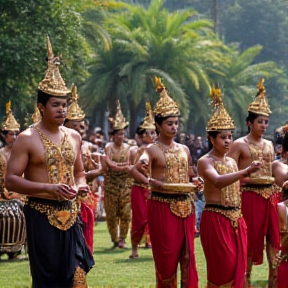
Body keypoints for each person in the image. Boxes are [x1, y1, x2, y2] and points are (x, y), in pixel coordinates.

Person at [5, 36, 94, 288]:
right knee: (49, 280)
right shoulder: (27, 138)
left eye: (64, 105)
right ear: (41, 107)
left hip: (72, 212)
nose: (61, 110)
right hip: (40, 215)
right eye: (55, 104)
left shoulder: (74, 136)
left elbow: (79, 172)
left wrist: (80, 186)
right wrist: (49, 188)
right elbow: (10, 180)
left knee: (78, 276)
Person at [131, 77, 198, 288]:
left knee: (187, 255)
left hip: (186, 206)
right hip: (162, 206)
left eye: (176, 123)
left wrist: (196, 180)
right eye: (169, 123)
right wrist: (149, 179)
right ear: (158, 125)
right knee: (167, 259)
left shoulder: (184, 149)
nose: (174, 127)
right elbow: (136, 168)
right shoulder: (151, 149)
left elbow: (189, 173)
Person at [197, 86, 260, 288]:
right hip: (216, 217)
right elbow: (217, 181)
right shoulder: (205, 161)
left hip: (236, 218)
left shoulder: (232, 162)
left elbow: (236, 182)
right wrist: (246, 172)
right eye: (223, 137)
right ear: (211, 138)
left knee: (237, 269)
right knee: (223, 269)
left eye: (230, 137)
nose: (227, 141)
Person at [227, 79, 280, 288]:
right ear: (250, 122)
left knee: (274, 241)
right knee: (249, 242)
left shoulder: (269, 144)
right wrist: (247, 176)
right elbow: (229, 172)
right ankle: (245, 281)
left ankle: (274, 281)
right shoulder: (239, 145)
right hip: (249, 196)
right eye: (260, 121)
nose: (264, 125)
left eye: (266, 122)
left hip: (271, 196)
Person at [64, 83, 103, 254]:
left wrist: (96, 172)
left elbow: (87, 174)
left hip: (85, 199)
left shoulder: (86, 147)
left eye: (81, 127)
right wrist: (96, 172)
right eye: (75, 126)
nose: (79, 130)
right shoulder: (61, 147)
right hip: (66, 199)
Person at [129, 101, 156, 258]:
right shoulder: (137, 151)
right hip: (139, 189)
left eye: (154, 133)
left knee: (156, 221)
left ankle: (153, 245)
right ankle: (134, 248)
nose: (151, 136)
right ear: (142, 135)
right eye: (148, 133)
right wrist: (147, 180)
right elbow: (133, 169)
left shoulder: (159, 150)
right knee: (139, 220)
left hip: (155, 189)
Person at [104, 100, 132, 248]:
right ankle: (115, 239)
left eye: (123, 133)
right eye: (118, 134)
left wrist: (121, 167)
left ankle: (122, 239)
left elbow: (131, 164)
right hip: (111, 186)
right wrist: (122, 168)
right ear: (113, 135)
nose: (121, 136)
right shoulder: (108, 147)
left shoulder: (130, 148)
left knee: (126, 214)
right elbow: (108, 163)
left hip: (126, 186)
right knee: (112, 214)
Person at [0, 101, 26, 260]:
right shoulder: (0, 154)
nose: (15, 137)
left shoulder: (22, 154)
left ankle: (16, 249)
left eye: (17, 134)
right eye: (11, 134)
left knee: (20, 211)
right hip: (1, 194)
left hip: (20, 194)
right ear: (4, 135)